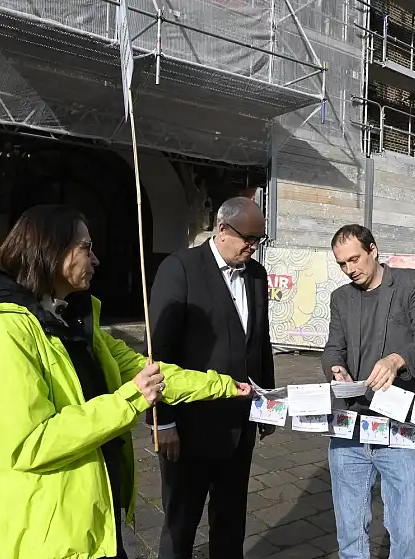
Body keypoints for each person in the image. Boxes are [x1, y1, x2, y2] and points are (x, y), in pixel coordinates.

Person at [0, 205, 251, 559]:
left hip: (93, 524)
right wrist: (130, 400)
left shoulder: (75, 325)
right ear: (52, 250)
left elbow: (151, 371)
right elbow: (27, 445)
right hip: (42, 533)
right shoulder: (2, 335)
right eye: (86, 247)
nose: (95, 259)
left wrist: (222, 386)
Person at [147, 197, 276, 559]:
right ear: (222, 229)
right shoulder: (181, 268)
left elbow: (259, 340)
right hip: (189, 427)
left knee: (231, 520)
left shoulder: (256, 274)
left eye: (258, 241)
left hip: (240, 422)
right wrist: (162, 420)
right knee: (180, 524)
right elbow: (159, 349)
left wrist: (267, 403)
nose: (252, 247)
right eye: (247, 239)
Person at [321, 224, 415, 559]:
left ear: (373, 249)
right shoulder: (340, 299)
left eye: (355, 259)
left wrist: (396, 360)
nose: (350, 269)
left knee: (405, 531)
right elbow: (333, 347)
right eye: (342, 264)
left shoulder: (410, 283)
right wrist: (335, 367)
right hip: (351, 425)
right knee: (349, 529)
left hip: (399, 425)